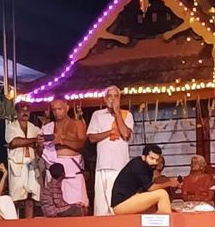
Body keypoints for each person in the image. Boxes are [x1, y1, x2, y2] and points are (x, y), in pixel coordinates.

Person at [87, 85, 134, 216]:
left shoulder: (127, 115)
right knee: (102, 207)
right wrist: (110, 132)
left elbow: (125, 134)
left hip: (120, 166)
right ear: (104, 99)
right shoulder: (97, 115)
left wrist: (117, 112)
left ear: (120, 98)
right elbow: (91, 137)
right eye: (110, 96)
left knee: (118, 204)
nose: (113, 99)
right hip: (102, 166)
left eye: (116, 96)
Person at [41, 97, 88, 210]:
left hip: (73, 171)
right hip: (55, 170)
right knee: (57, 207)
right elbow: (41, 152)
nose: (57, 112)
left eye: (60, 109)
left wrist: (62, 140)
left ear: (67, 108)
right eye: (54, 110)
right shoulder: (48, 127)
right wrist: (39, 144)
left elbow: (82, 145)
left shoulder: (77, 124)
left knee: (79, 206)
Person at [110, 144, 173, 215]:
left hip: (132, 198)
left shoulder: (148, 168)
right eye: (152, 158)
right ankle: (167, 224)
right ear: (144, 157)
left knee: (154, 210)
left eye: (157, 160)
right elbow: (150, 188)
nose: (154, 162)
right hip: (121, 204)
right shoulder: (138, 165)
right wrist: (170, 183)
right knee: (162, 194)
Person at [4, 101, 42, 218]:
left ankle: (28, 223)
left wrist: (35, 142)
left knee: (30, 196)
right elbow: (14, 142)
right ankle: (13, 220)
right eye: (22, 111)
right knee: (16, 196)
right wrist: (33, 141)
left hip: (31, 163)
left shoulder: (35, 128)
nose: (25, 113)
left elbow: (39, 146)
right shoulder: (11, 127)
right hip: (17, 165)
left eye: (27, 111)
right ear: (17, 112)